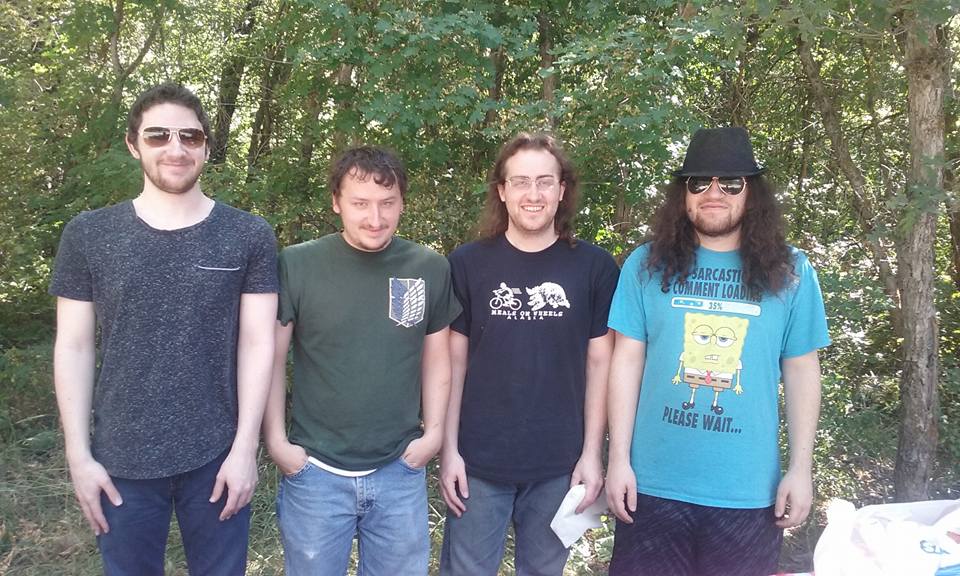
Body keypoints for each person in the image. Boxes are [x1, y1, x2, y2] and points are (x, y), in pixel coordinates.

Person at [50, 83, 279, 575]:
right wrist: (79, 456)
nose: (176, 149)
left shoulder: (248, 234)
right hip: (119, 460)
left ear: (207, 147)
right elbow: (73, 346)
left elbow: (258, 344)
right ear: (134, 145)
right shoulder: (89, 234)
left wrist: (246, 449)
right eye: (158, 136)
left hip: (217, 456)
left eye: (190, 136)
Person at [604, 127, 831, 576]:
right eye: (699, 182)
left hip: (747, 494)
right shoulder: (645, 265)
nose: (713, 193)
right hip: (652, 488)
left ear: (752, 192)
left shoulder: (791, 271)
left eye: (730, 182)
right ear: (682, 194)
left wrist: (800, 468)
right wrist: (618, 460)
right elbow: (625, 362)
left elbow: (802, 370)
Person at [263, 146, 461, 576]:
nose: (375, 217)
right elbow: (271, 360)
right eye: (360, 204)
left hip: (399, 469)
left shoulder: (428, 267)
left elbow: (437, 359)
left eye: (387, 203)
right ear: (336, 202)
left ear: (402, 203)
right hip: (315, 472)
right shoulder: (297, 264)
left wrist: (433, 436)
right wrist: (277, 442)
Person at [439, 133, 620, 575]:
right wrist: (448, 450)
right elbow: (452, 364)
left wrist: (592, 454)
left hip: (559, 465)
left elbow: (601, 365)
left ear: (562, 190)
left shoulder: (595, 267)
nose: (533, 194)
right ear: (502, 191)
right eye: (520, 181)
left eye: (544, 181)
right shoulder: (466, 264)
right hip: (477, 463)